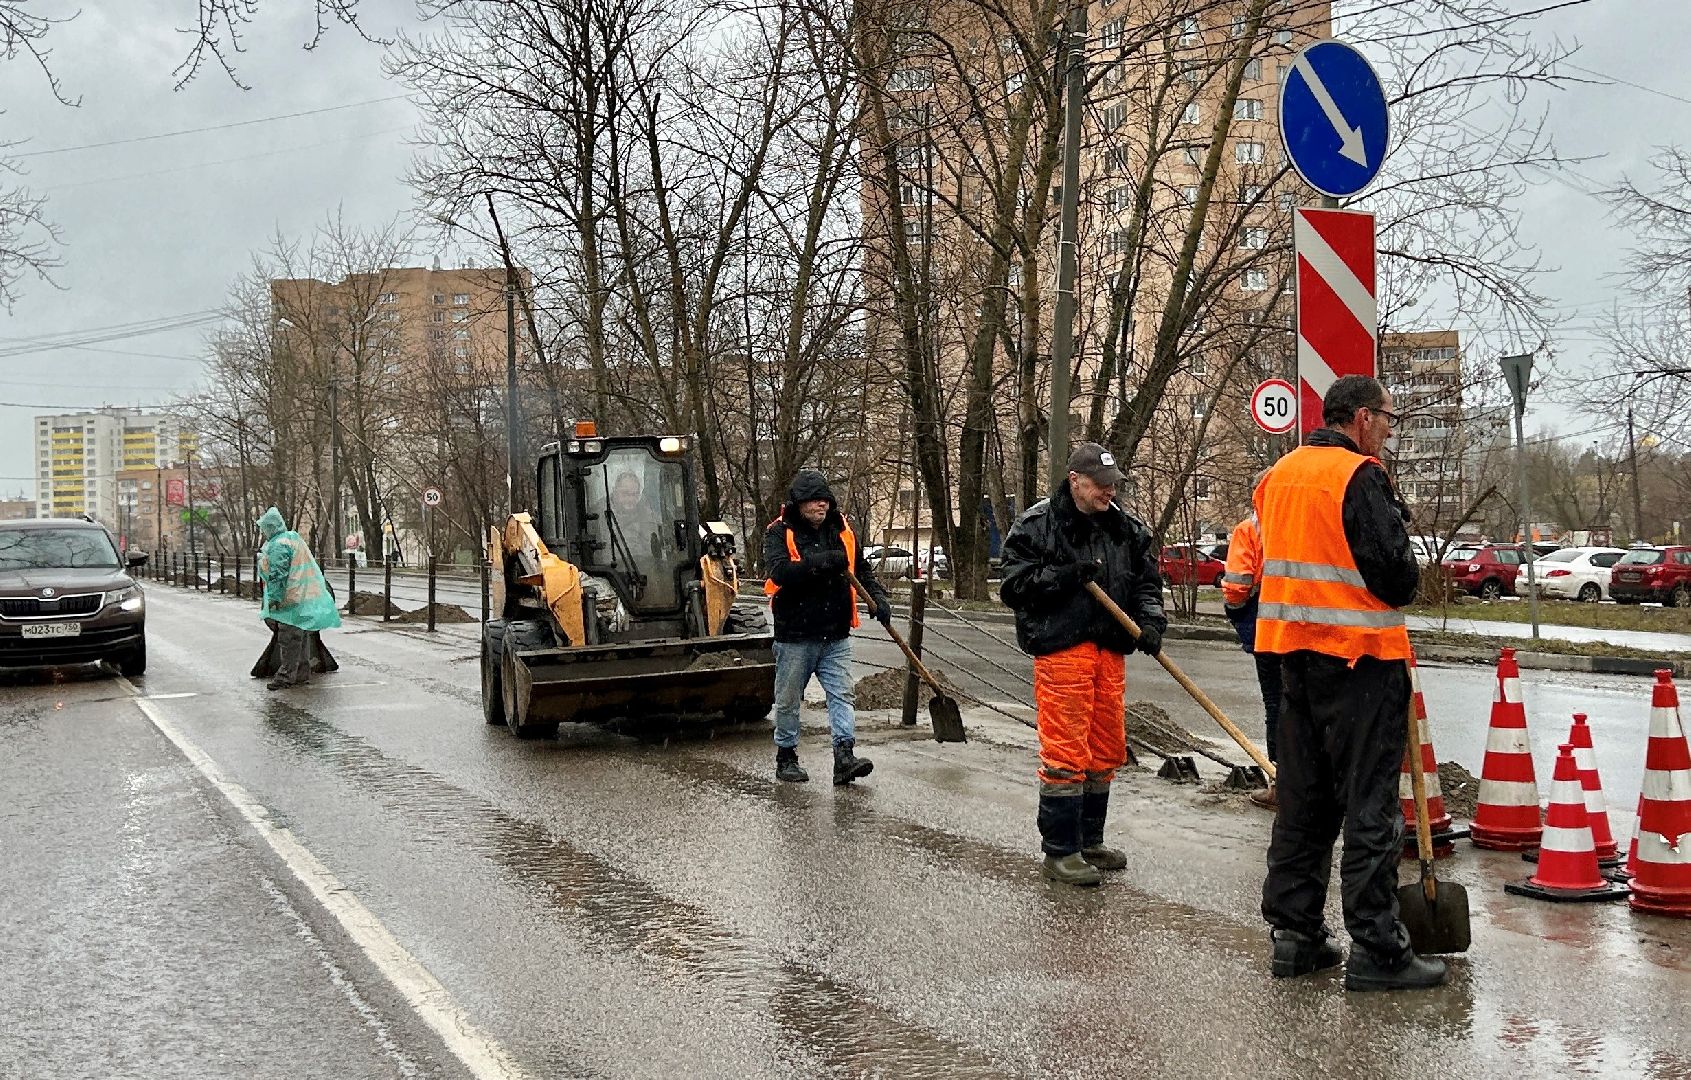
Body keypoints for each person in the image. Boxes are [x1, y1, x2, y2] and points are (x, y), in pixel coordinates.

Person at [1254, 375, 1446, 992]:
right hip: (1360, 661)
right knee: (1370, 807)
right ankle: (1377, 950)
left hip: (1294, 659)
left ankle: (1296, 935)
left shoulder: (1278, 477)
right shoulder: (1359, 477)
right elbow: (1395, 577)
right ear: (1361, 418)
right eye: (1388, 418)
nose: (1390, 430)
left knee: (1304, 804)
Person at [999, 442, 1167, 887]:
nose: (1109, 492)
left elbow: (1146, 584)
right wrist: (1063, 577)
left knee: (1105, 748)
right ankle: (1061, 850)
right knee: (1066, 750)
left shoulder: (1126, 529)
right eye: (1101, 484)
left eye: (1114, 485)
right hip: (1062, 649)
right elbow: (1013, 587)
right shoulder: (1037, 526)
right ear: (1076, 480)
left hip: (1110, 649)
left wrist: (1149, 623)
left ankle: (1090, 840)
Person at [762, 469, 892, 785]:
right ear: (799, 504)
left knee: (842, 695)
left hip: (835, 631)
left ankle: (844, 756)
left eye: (825, 500)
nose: (821, 506)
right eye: (814, 501)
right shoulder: (779, 532)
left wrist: (878, 597)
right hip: (795, 634)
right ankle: (787, 756)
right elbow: (780, 573)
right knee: (790, 698)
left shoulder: (842, 529)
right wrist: (819, 563)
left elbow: (860, 568)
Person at [1221, 473, 1280, 811]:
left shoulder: (1251, 530)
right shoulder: (1302, 524)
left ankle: (1281, 783)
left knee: (1277, 705)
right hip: (1312, 627)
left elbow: (1237, 585)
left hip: (1268, 628)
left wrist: (1236, 611)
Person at [256, 506, 342, 690]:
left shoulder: (279, 545)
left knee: (289, 638)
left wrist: (274, 598)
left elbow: (278, 574)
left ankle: (285, 677)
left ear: (269, 528)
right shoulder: (292, 538)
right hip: (304, 594)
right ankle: (301, 673)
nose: (263, 533)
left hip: (291, 596)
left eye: (264, 529)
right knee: (300, 635)